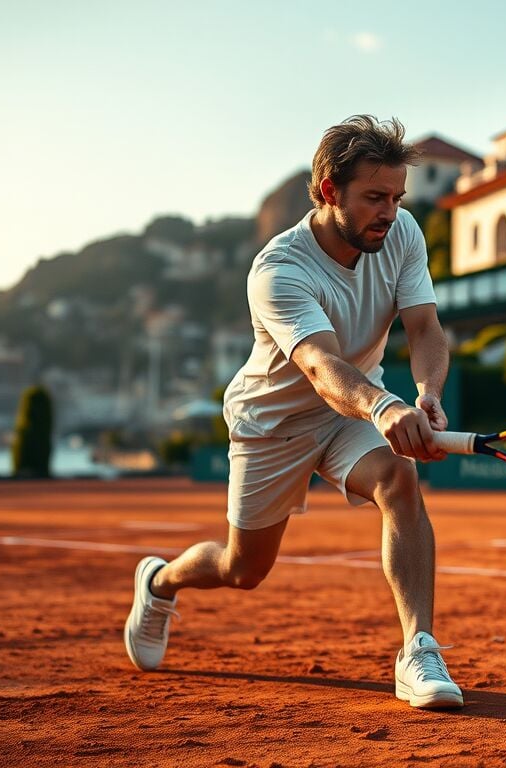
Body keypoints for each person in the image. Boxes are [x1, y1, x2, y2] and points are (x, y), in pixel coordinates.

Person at [123, 115, 462, 709]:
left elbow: (426, 328)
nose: (390, 211)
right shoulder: (279, 269)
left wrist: (427, 393)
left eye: (397, 196)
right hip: (273, 424)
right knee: (242, 569)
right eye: (374, 197)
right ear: (330, 191)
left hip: (352, 413)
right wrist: (383, 407)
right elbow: (321, 367)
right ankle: (159, 581)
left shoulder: (404, 233)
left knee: (399, 479)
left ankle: (418, 649)